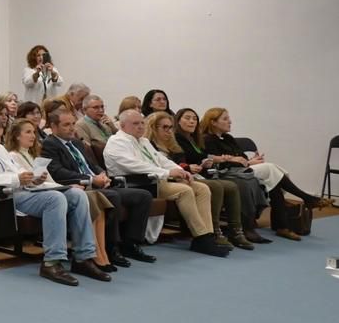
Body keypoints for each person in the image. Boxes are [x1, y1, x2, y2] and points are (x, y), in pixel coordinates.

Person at [0, 113, 108, 286]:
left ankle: (83, 257)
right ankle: (52, 262)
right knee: (55, 199)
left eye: (0, 135)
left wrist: (32, 179)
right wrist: (17, 179)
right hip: (2, 198)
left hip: (22, 190)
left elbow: (15, 170)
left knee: (78, 195)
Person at [102, 109, 228, 255]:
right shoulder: (117, 142)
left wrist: (181, 171)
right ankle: (201, 237)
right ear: (122, 126)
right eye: (135, 123)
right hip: (136, 183)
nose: (141, 126)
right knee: (184, 191)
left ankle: (208, 236)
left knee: (201, 188)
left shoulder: (143, 141)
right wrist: (167, 173)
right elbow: (134, 165)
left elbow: (161, 160)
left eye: (142, 123)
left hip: (154, 181)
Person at [41, 105, 156, 266]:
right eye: (66, 125)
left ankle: (131, 243)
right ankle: (111, 247)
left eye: (73, 124)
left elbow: (92, 164)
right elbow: (58, 172)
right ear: (53, 127)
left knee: (143, 196)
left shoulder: (76, 143)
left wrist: (102, 174)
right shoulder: (50, 144)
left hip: (97, 184)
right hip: (81, 187)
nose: (72, 128)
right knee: (112, 196)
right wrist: (90, 179)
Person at [199, 107, 318, 241]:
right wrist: (242, 162)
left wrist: (251, 161)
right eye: (225, 119)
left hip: (241, 170)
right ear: (213, 122)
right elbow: (221, 164)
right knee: (271, 170)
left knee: (274, 181)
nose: (230, 121)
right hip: (227, 174)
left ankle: (284, 225)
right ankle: (303, 202)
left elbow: (242, 157)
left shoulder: (228, 138)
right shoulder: (207, 139)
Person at [146, 111, 248, 251]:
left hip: (179, 178)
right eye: (165, 127)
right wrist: (184, 169)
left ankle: (210, 234)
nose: (169, 131)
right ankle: (201, 236)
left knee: (203, 189)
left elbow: (179, 163)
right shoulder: (148, 145)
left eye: (171, 127)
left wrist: (185, 170)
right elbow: (157, 167)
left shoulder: (174, 144)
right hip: (159, 181)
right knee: (191, 189)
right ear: (153, 128)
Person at [175, 108, 269, 244]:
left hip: (205, 172)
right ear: (178, 121)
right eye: (187, 118)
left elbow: (203, 157)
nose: (192, 121)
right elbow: (186, 159)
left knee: (239, 183)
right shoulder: (179, 138)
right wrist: (220, 159)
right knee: (225, 185)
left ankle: (236, 231)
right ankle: (215, 230)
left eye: (194, 118)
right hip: (190, 175)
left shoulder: (194, 139)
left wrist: (212, 160)